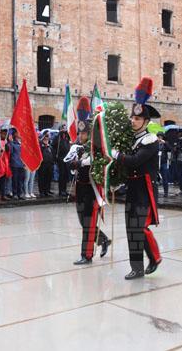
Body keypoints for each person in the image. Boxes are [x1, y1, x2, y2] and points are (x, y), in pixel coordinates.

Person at [112, 77, 162, 280]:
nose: (133, 121)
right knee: (131, 228)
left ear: (146, 122)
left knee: (140, 228)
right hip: (133, 189)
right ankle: (138, 267)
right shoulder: (131, 139)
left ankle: (154, 257)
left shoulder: (150, 140)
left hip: (145, 190)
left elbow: (134, 161)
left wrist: (116, 155)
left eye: (138, 119)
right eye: (132, 118)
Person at [66, 97, 111, 265]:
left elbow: (100, 160)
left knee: (88, 222)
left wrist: (82, 162)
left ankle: (87, 255)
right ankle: (103, 240)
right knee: (82, 220)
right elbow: (70, 164)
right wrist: (73, 163)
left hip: (93, 189)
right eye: (79, 133)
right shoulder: (77, 146)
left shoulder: (96, 147)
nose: (81, 136)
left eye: (84, 133)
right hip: (81, 188)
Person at [52, 124, 71, 197]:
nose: (64, 130)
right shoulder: (58, 137)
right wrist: (55, 157)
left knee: (66, 175)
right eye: (63, 128)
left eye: (65, 128)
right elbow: (53, 146)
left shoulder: (66, 137)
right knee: (62, 175)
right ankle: (61, 191)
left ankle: (64, 190)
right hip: (60, 159)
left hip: (67, 159)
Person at [8, 128, 25, 200]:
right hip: (15, 164)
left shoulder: (21, 142)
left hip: (21, 164)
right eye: (18, 133)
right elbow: (10, 152)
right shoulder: (12, 143)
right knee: (15, 180)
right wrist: (10, 142)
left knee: (21, 180)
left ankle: (20, 193)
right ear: (15, 134)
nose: (19, 134)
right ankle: (15, 193)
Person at [38, 131, 54, 197]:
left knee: (48, 178)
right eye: (46, 136)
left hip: (49, 164)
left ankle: (47, 191)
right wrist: (44, 146)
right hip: (43, 164)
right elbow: (39, 152)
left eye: (48, 136)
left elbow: (52, 153)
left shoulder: (49, 145)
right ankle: (41, 191)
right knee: (42, 178)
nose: (47, 137)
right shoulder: (40, 144)